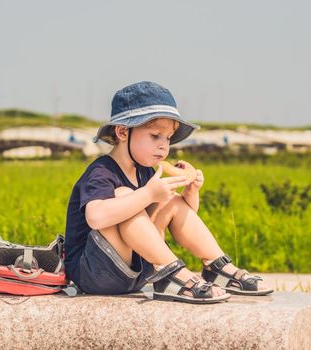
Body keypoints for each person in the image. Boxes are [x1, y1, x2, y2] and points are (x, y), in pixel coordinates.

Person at [64, 81, 273, 304]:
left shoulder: (145, 172)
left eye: (168, 138)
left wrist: (190, 192)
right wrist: (147, 195)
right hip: (96, 272)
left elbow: (180, 221)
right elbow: (95, 217)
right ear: (123, 132)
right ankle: (174, 275)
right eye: (155, 136)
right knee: (125, 195)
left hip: (139, 270)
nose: (164, 146)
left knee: (171, 201)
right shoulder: (101, 171)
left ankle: (217, 267)